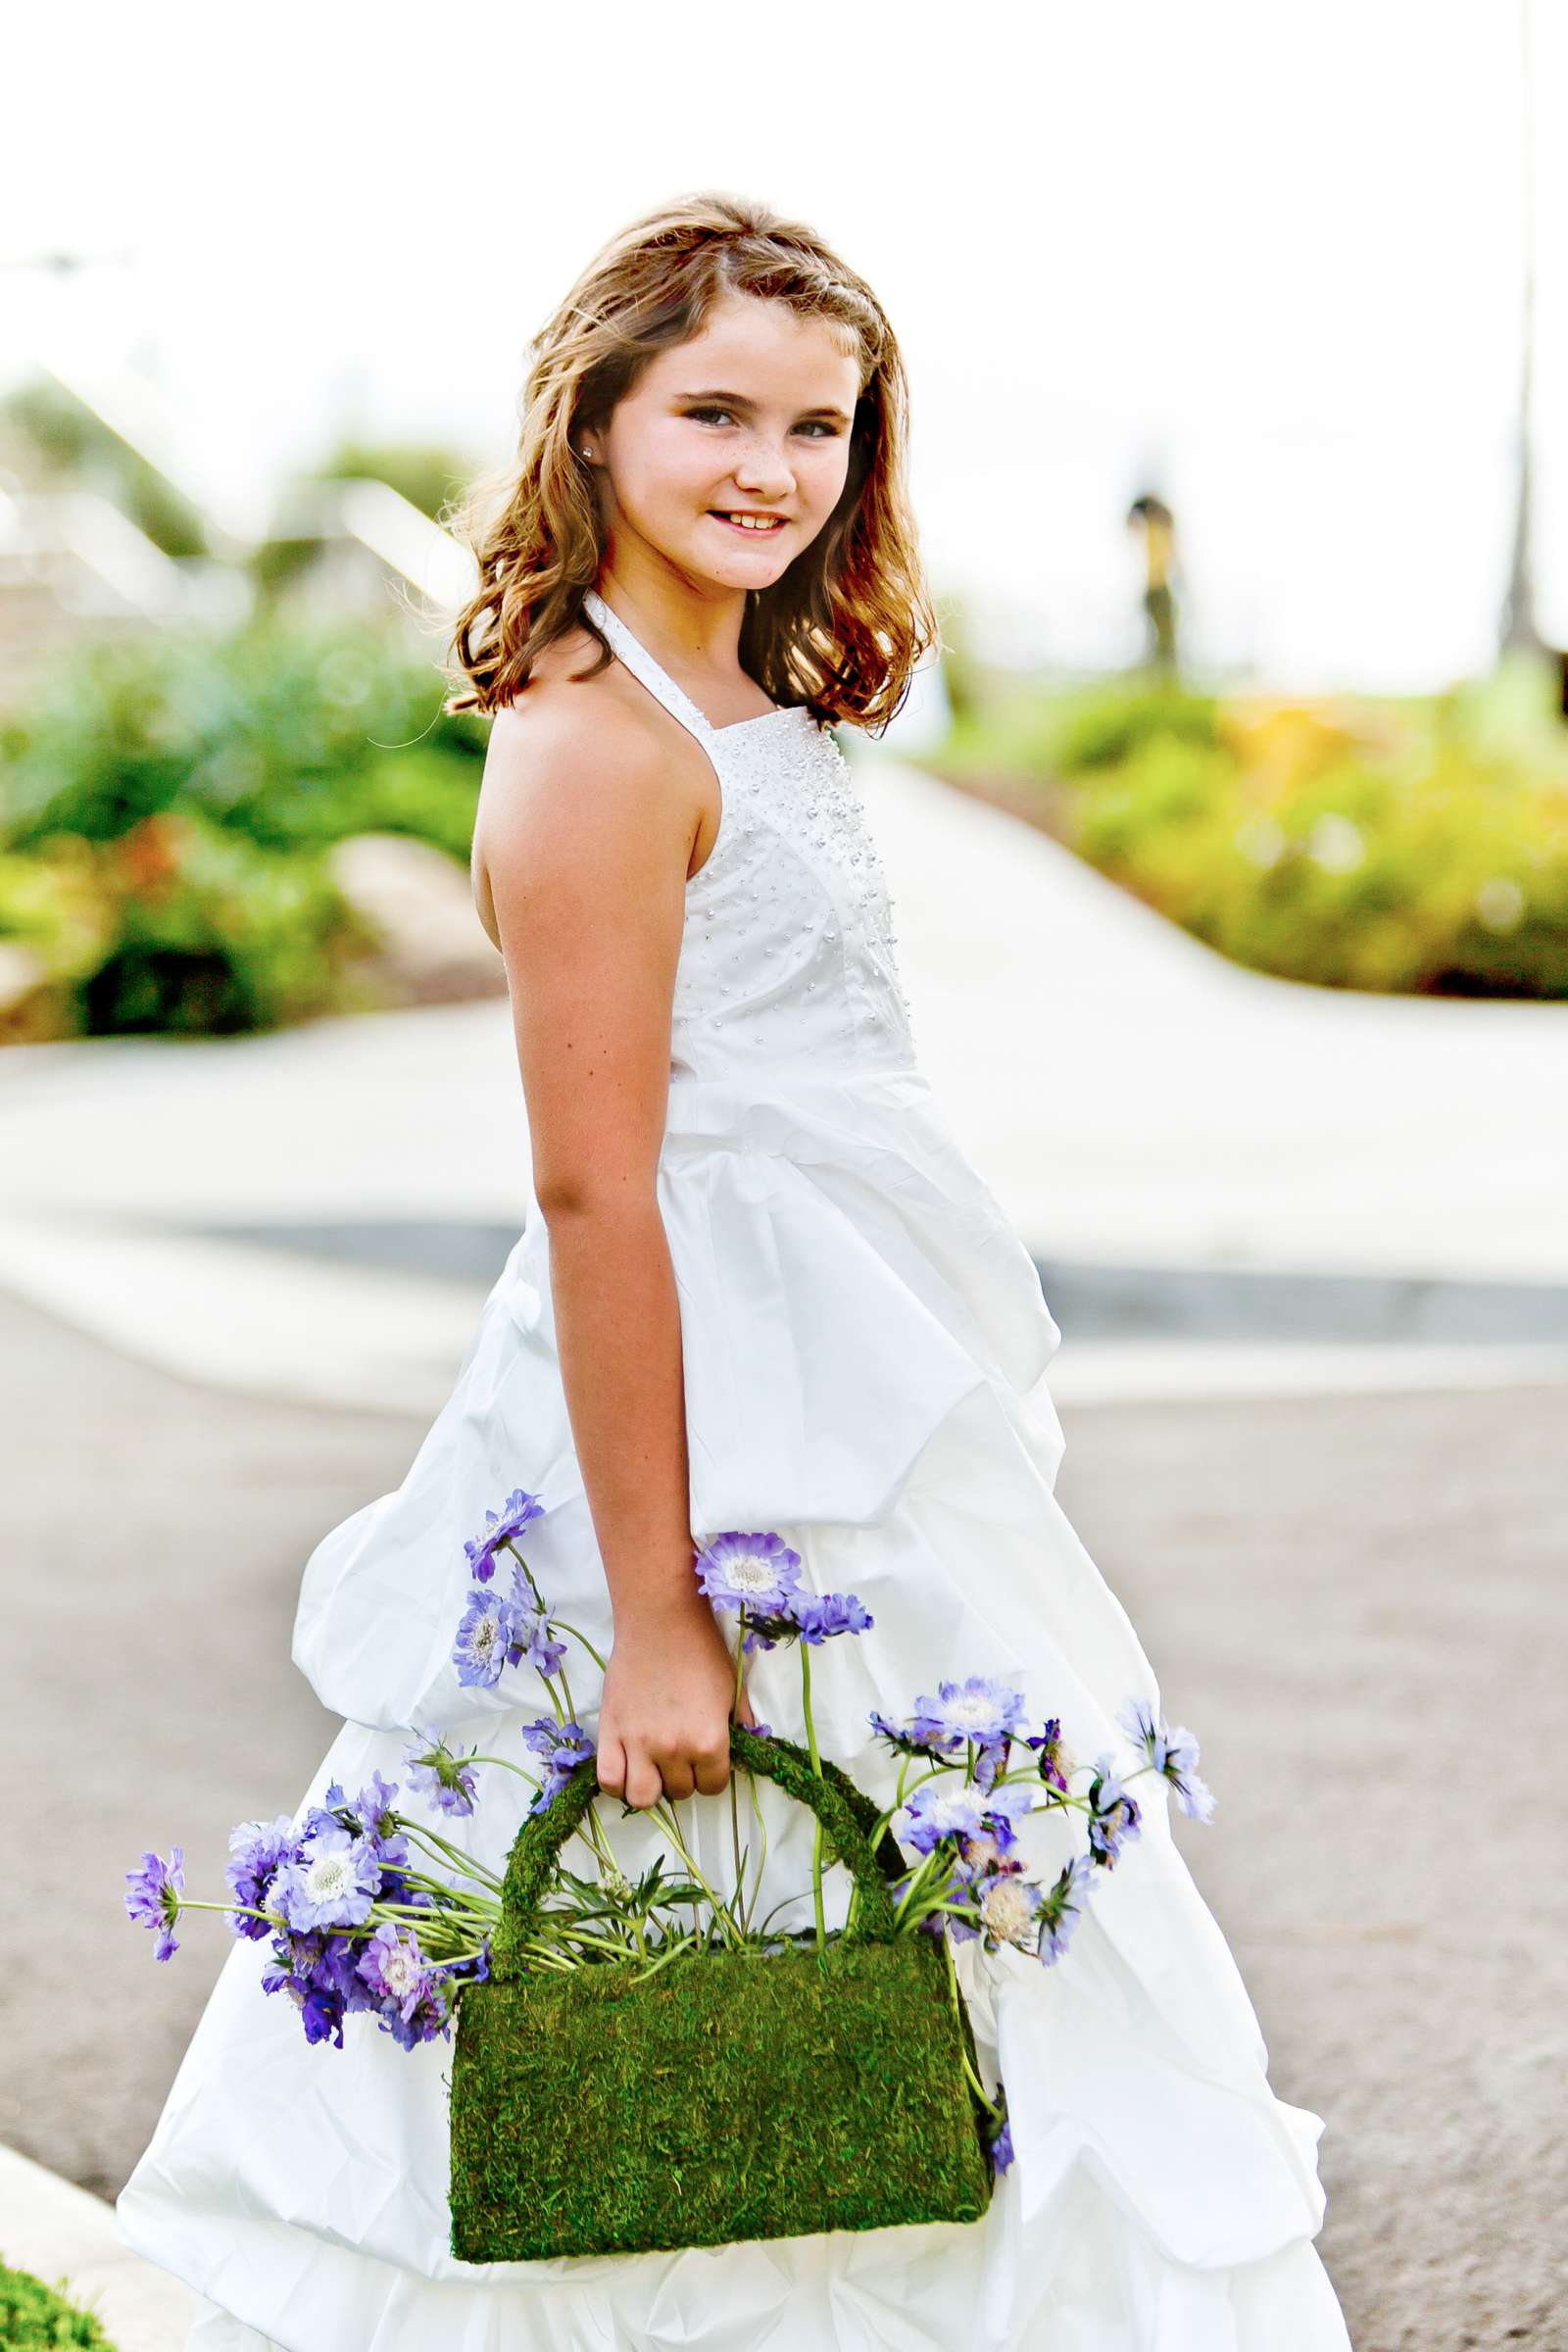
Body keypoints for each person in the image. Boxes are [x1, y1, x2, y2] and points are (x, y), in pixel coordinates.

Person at [118, 191, 1352, 2350]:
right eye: (711, 410)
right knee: (673, 1925)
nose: (769, 468)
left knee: (942, 1920)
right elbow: (603, 1201)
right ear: (590, 419)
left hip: (856, 1372)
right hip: (703, 1431)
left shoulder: (745, 689)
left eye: (819, 425)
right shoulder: (598, 743)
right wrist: (660, 1620)